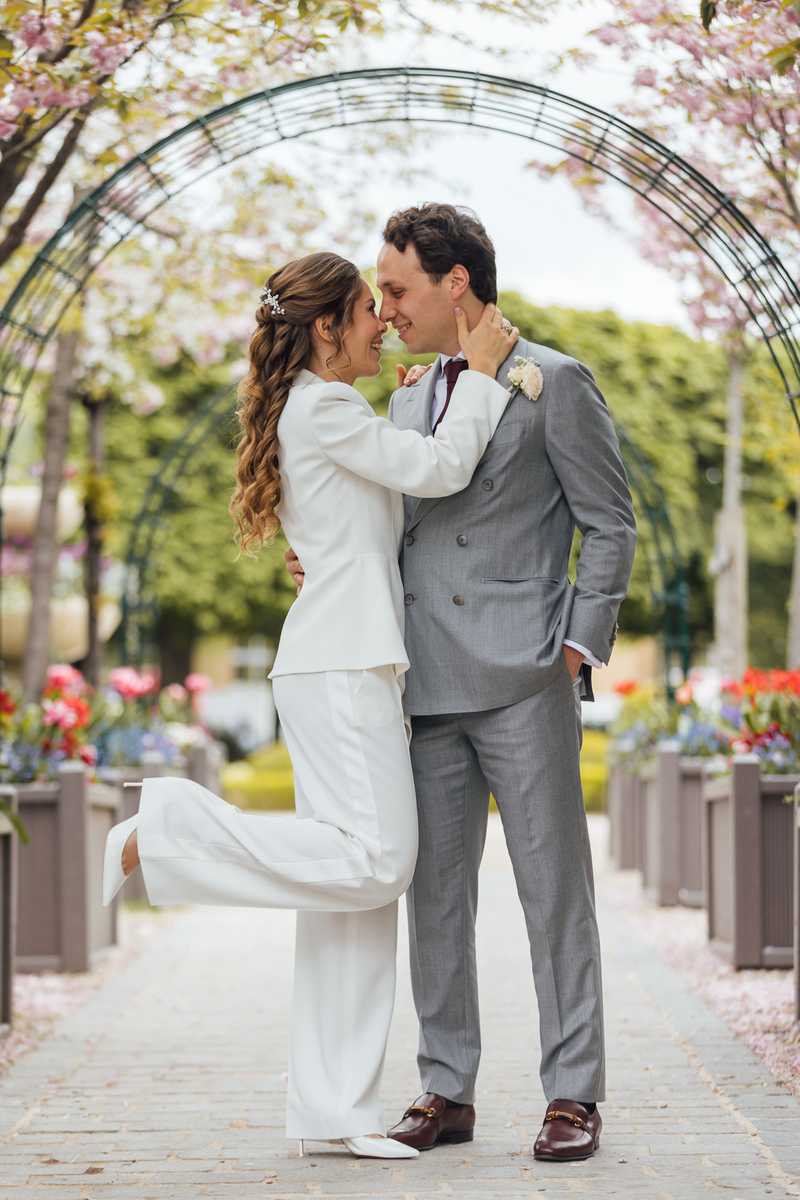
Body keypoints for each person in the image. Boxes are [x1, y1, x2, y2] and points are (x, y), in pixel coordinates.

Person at [102, 250, 518, 1161]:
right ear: (326, 326)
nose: (383, 321)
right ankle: (164, 831)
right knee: (377, 866)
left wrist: (441, 386)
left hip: (342, 659)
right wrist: (481, 376)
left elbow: (372, 522)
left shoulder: (319, 409)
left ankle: (337, 1109)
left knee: (348, 904)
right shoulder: (325, 406)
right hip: (341, 666)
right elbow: (442, 469)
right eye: (370, 308)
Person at [287, 203, 637, 1162]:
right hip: (422, 679)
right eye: (378, 294)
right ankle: (448, 1088)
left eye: (396, 288)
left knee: (552, 893)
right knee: (432, 897)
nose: (384, 308)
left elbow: (610, 522)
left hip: (525, 675)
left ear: (456, 283)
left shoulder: (555, 380)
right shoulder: (400, 397)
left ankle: (573, 1094)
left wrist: (577, 646)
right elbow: (398, 517)